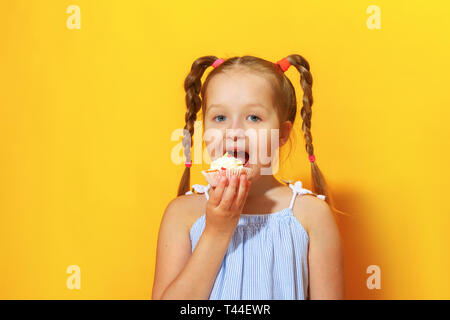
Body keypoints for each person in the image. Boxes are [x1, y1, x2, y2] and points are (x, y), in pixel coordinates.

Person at [152, 55, 346, 300]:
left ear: (282, 134)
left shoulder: (311, 215)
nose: (234, 132)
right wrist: (216, 232)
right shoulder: (182, 214)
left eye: (253, 117)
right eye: (220, 118)